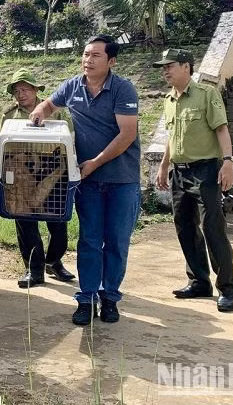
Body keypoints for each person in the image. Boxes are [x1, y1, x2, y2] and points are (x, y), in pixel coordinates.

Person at [29, 35, 141, 325]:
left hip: (121, 180)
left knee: (116, 241)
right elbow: (48, 105)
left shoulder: (122, 89)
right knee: (89, 240)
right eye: (85, 54)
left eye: (95, 56)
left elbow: (127, 135)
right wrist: (39, 114)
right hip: (87, 182)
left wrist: (95, 162)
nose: (87, 60)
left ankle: (110, 298)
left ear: (111, 61)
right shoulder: (72, 85)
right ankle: (86, 298)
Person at [153, 49, 233, 312]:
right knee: (184, 227)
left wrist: (228, 162)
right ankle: (199, 281)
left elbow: (221, 129)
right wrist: (164, 166)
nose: (165, 71)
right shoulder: (169, 100)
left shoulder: (206, 94)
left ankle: (228, 288)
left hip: (206, 171)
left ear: (187, 67)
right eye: (163, 67)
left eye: (170, 66)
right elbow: (171, 137)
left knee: (213, 228)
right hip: (180, 172)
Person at [0, 69, 76, 288]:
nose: (20, 94)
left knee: (58, 220)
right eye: (16, 90)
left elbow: (70, 141)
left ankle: (54, 261)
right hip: (21, 170)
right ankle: (33, 270)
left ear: (35, 89)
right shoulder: (9, 114)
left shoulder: (56, 110)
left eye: (25, 89)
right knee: (25, 222)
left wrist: (69, 170)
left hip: (53, 166)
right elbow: (2, 145)